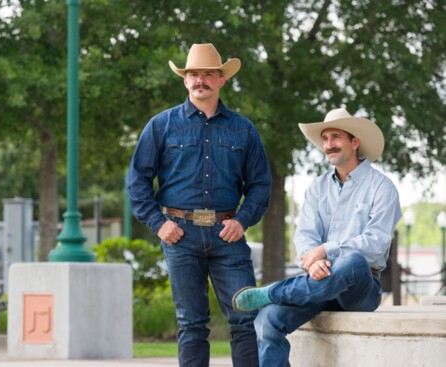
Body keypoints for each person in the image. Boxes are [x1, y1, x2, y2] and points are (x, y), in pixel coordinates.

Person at [127, 43, 272, 367]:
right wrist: (158, 223)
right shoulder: (161, 126)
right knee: (191, 324)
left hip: (228, 234)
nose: (200, 80)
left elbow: (261, 183)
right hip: (180, 235)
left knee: (245, 317)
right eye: (193, 74)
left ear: (221, 80)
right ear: (185, 80)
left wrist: (243, 220)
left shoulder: (243, 129)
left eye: (208, 74)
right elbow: (137, 181)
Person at [231, 108, 402, 366]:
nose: (328, 145)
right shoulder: (316, 188)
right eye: (325, 139)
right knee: (266, 321)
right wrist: (313, 262)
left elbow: (375, 245)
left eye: (336, 137)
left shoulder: (381, 187)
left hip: (361, 288)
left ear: (354, 142)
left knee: (353, 261)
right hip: (318, 282)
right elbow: (305, 237)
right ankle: (274, 297)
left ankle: (273, 291)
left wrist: (325, 251)